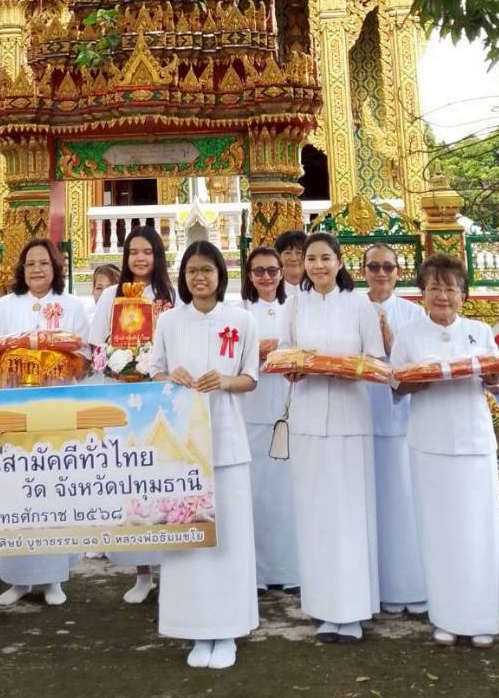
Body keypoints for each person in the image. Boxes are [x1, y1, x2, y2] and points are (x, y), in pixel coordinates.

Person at [150, 240, 259, 671]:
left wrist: (226, 382)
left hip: (228, 440)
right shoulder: (169, 321)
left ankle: (228, 628)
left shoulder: (241, 320)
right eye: (193, 270)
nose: (200, 278)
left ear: (220, 274)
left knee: (228, 537)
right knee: (189, 537)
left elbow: (252, 377)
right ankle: (194, 627)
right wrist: (169, 375)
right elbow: (153, 368)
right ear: (183, 275)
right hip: (181, 446)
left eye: (208, 270)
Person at [390, 254, 499, 648]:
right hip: (430, 443)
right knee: (438, 529)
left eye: (450, 288)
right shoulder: (408, 335)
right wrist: (411, 383)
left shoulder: (479, 331)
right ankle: (445, 615)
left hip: (474, 442)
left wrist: (494, 380)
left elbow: (497, 384)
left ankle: (482, 617)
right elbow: (396, 385)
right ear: (422, 294)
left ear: (463, 294)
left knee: (478, 529)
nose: (442, 295)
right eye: (434, 288)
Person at [281, 231, 384, 642]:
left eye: (326, 258)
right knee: (315, 512)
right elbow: (284, 354)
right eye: (311, 259)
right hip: (307, 418)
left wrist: (347, 366)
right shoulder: (295, 305)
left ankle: (353, 611)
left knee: (349, 512)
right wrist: (292, 367)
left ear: (340, 263)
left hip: (349, 418)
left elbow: (377, 360)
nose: (318, 266)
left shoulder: (360, 306)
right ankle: (323, 607)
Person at [0, 238, 90, 608]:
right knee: (15, 490)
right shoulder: (4, 306)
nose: (37, 270)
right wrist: (16, 355)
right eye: (30, 264)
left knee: (54, 489)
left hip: (57, 408)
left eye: (44, 263)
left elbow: (86, 358)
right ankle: (16, 578)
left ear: (55, 268)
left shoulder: (72, 305)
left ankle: (55, 577)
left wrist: (55, 355)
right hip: (15, 409)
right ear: (21, 269)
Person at [89, 225, 175, 604]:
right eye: (134, 252)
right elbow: (94, 348)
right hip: (125, 398)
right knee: (133, 483)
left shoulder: (171, 296)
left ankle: (171, 569)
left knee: (166, 482)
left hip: (164, 398)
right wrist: (117, 367)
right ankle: (142, 573)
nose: (140, 259)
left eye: (147, 252)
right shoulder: (111, 295)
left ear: (158, 256)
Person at [361, 243, 426, 616]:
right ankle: (377, 586)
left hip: (403, 420)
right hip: (363, 416)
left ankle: (411, 585)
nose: (381, 273)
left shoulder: (413, 315)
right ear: (363, 270)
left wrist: (391, 348)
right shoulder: (353, 309)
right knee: (372, 505)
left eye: (388, 267)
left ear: (398, 272)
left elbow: (420, 366)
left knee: (404, 501)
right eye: (374, 267)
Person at [240, 246, 300, 594]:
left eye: (272, 271)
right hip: (253, 409)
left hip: (289, 408)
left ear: (281, 273)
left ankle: (291, 569)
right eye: (259, 271)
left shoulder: (294, 309)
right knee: (258, 494)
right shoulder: (240, 314)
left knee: (289, 494)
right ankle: (259, 573)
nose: (266, 277)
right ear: (249, 276)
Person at [274, 230, 306, 296]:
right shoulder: (269, 291)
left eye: (299, 253)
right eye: (287, 253)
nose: (293, 258)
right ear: (278, 257)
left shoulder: (319, 289)